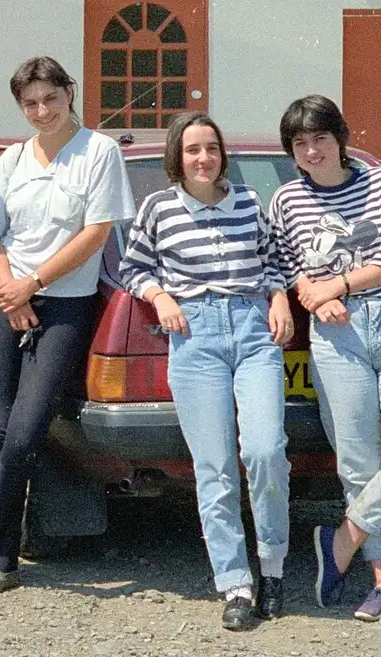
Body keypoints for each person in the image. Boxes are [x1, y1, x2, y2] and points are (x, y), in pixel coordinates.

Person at [267, 94, 381, 622]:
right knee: (358, 463)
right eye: (299, 143)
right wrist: (312, 296)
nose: (311, 150)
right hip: (335, 340)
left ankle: (340, 540)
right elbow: (284, 267)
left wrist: (335, 286)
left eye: (320, 138)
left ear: (339, 138)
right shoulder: (286, 202)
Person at [0, 57, 133, 594]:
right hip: (4, 300)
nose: (42, 112)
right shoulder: (12, 157)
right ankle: (5, 560)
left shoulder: (98, 151)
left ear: (69, 93)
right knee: (4, 428)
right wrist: (10, 292)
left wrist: (31, 286)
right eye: (30, 104)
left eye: (50, 99)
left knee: (29, 429)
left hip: (62, 305)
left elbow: (96, 232)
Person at [119, 112, 293, 630]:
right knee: (214, 467)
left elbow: (272, 262)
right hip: (194, 338)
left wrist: (279, 299)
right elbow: (134, 269)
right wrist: (160, 296)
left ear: (222, 154)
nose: (203, 158)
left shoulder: (248, 202)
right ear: (178, 155)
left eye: (211, 148)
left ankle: (274, 567)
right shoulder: (158, 209)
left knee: (265, 450)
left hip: (253, 330)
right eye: (192, 149)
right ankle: (235, 584)